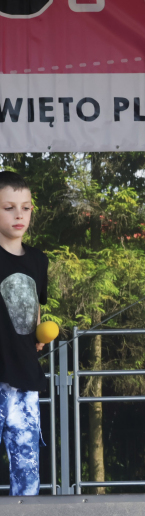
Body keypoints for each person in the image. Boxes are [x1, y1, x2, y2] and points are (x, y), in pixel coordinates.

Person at [0, 171, 49, 496]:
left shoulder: (38, 260)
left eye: (26, 207)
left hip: (24, 379)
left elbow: (35, 309)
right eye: (8, 207)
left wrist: (38, 337)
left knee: (27, 472)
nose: (19, 214)